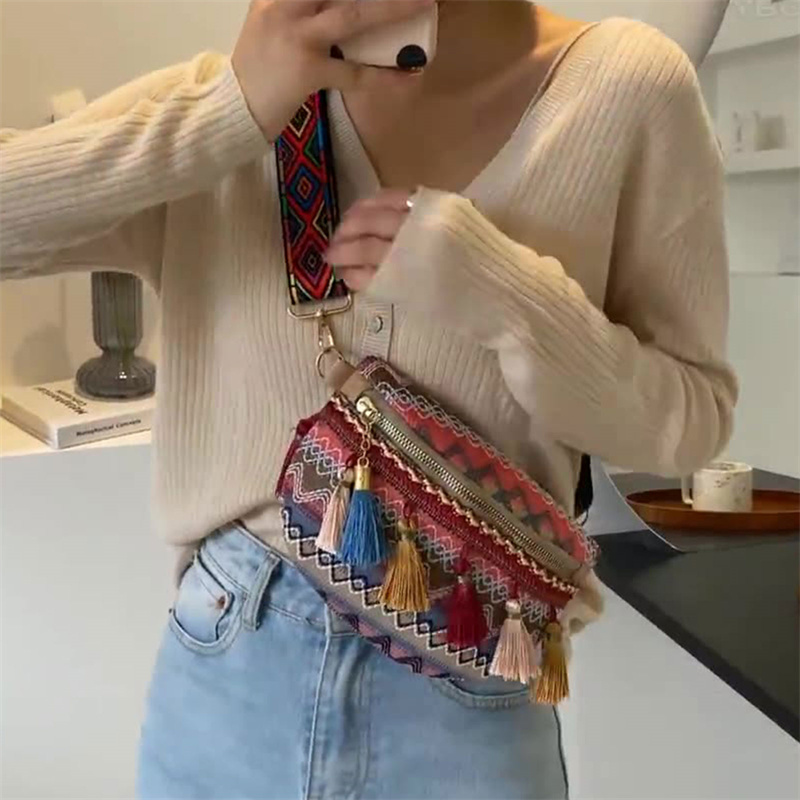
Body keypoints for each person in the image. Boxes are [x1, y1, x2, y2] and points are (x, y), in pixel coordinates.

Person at [0, 1, 737, 797]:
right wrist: (228, 113)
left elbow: (691, 418)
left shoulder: (626, 87)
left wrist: (508, 299)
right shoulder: (241, 92)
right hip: (229, 678)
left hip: (472, 678)